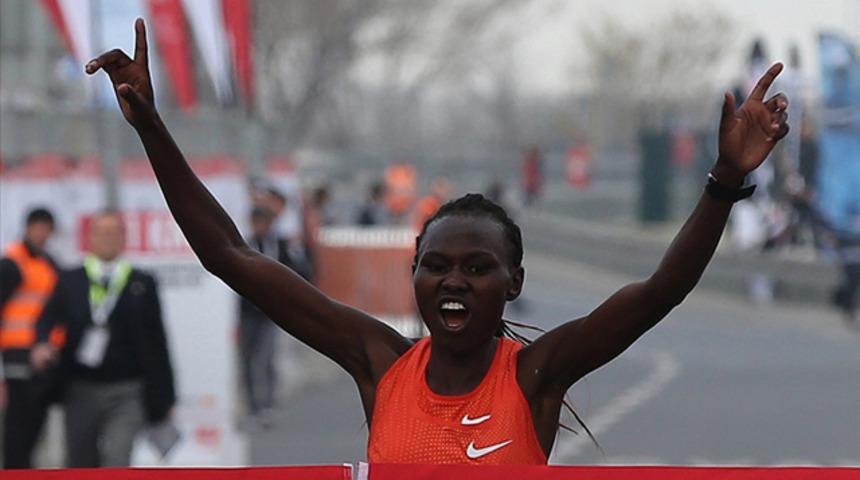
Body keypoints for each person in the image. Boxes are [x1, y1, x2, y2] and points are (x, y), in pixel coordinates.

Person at [86, 19, 789, 464]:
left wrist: (724, 183)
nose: (453, 281)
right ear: (414, 273)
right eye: (437, 266)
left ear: (513, 283)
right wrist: (152, 127)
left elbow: (661, 291)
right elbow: (231, 256)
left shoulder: (536, 375)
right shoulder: (379, 363)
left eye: (478, 268)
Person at [31, 210, 175, 467]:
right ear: (90, 237)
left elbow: (157, 339)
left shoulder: (141, 283)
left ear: (123, 237)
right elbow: (46, 319)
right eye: (101, 232)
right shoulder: (70, 280)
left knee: (117, 457)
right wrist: (42, 345)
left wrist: (165, 395)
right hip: (80, 387)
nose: (107, 238)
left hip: (127, 389)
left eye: (113, 232)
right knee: (80, 461)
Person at [0, 207, 61, 469]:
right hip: (17, 348)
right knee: (18, 416)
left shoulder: (49, 263)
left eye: (46, 228)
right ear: (27, 228)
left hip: (43, 351)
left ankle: (23, 469)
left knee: (36, 413)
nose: (41, 233)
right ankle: (15, 470)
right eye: (37, 227)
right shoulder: (12, 262)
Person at [237, 206, 302, 428]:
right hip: (247, 312)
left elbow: (295, 272)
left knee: (266, 358)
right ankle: (253, 406)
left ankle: (267, 404)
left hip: (270, 313)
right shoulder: (243, 246)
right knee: (247, 360)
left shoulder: (280, 246)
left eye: (264, 223)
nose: (260, 227)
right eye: (256, 223)